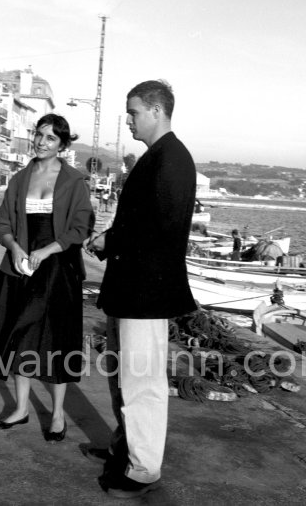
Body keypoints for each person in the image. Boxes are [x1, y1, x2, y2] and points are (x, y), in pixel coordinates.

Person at [86, 80, 197, 499]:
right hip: (134, 289)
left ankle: (144, 469)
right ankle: (126, 450)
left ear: (155, 110)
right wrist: (111, 239)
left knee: (142, 384)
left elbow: (157, 230)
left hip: (146, 294)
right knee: (124, 378)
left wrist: (109, 241)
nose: (128, 119)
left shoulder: (171, 160)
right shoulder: (161, 157)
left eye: (132, 112)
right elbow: (144, 222)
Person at [0, 113, 94, 442]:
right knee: (19, 337)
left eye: (51, 138)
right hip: (21, 267)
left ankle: (57, 416)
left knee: (55, 343)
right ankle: (22, 408)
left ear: (62, 145)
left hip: (59, 269)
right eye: (39, 135)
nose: (42, 142)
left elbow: (81, 228)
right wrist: (13, 247)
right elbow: (0, 223)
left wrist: (47, 251)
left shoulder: (73, 181)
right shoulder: (19, 179)